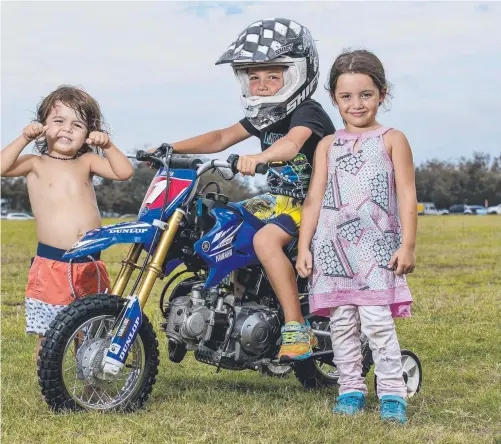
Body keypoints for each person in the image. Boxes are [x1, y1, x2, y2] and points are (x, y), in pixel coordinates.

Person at [152, 18, 335, 360]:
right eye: (254, 76)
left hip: (313, 203)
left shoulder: (308, 112)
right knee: (225, 221)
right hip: (278, 201)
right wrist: (169, 148)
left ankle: (296, 327)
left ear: (296, 74)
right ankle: (233, 303)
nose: (262, 84)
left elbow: (292, 145)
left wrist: (260, 157)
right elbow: (220, 137)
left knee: (263, 239)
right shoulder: (266, 114)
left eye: (272, 76)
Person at [296, 49, 417, 423]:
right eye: (346, 96)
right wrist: (304, 245)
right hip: (332, 250)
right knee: (342, 325)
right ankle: (350, 389)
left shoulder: (393, 139)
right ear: (334, 99)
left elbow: (407, 194)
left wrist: (408, 244)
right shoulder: (327, 145)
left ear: (382, 94)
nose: (356, 104)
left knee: (377, 324)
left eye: (365, 94)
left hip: (377, 250)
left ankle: (392, 394)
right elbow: (314, 197)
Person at [1, 85, 134, 360]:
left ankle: (84, 384)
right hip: (54, 264)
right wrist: (23, 137)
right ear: (43, 126)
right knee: (51, 333)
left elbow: (124, 172)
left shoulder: (87, 161)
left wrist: (107, 145)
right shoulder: (34, 163)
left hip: (89, 262)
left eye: (77, 124)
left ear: (88, 133)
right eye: (58, 121)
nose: (67, 129)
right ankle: (49, 381)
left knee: (91, 327)